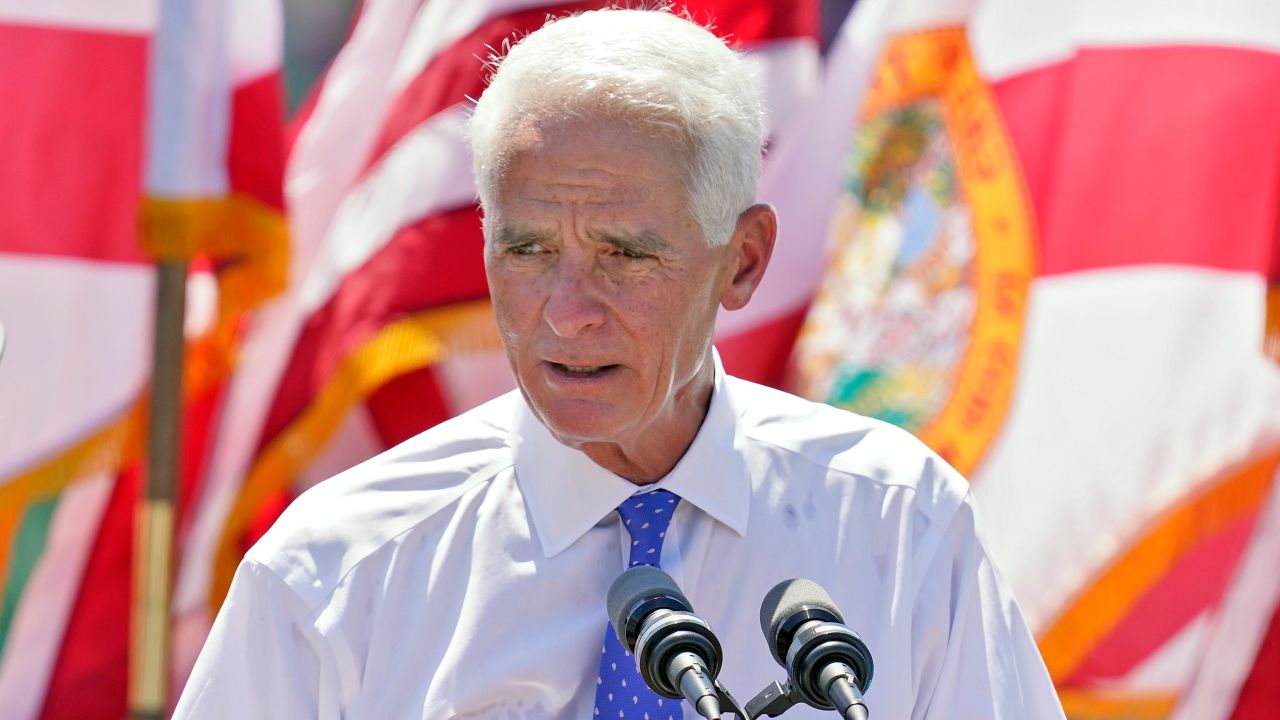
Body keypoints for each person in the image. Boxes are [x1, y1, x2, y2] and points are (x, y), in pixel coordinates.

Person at [174, 8, 1065, 719]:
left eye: (625, 256)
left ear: (743, 261)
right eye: (526, 251)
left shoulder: (902, 525)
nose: (566, 312)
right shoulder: (334, 572)